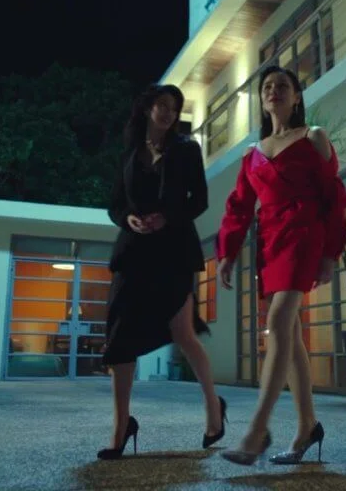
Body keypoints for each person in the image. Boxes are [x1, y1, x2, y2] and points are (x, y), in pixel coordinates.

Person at [216, 66, 346, 466]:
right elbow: (239, 207)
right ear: (262, 100)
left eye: (283, 86)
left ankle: (256, 430)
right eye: (268, 87)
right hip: (271, 241)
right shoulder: (251, 153)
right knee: (289, 333)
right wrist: (227, 253)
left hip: (305, 233)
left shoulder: (313, 137)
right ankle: (307, 425)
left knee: (277, 320)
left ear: (296, 97)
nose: (274, 91)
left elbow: (334, 198)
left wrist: (330, 253)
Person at [99, 83, 227, 460]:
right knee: (119, 338)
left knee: (183, 333)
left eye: (174, 107)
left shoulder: (186, 149)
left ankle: (213, 408)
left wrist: (167, 217)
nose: (169, 112)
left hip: (173, 252)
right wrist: (129, 218)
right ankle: (121, 426)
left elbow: (199, 200)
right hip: (133, 253)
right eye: (162, 105)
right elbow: (115, 205)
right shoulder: (129, 152)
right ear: (147, 109)